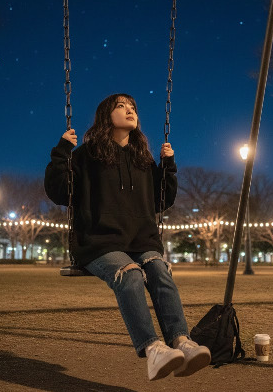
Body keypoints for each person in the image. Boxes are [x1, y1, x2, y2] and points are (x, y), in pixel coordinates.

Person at [44, 93, 211, 381]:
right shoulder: (87, 155)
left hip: (141, 241)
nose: (129, 110)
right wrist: (62, 152)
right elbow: (60, 192)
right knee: (130, 274)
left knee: (160, 271)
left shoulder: (142, 159)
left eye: (132, 107)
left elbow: (162, 201)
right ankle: (153, 349)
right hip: (100, 242)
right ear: (105, 115)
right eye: (121, 106)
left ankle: (182, 342)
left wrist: (168, 166)